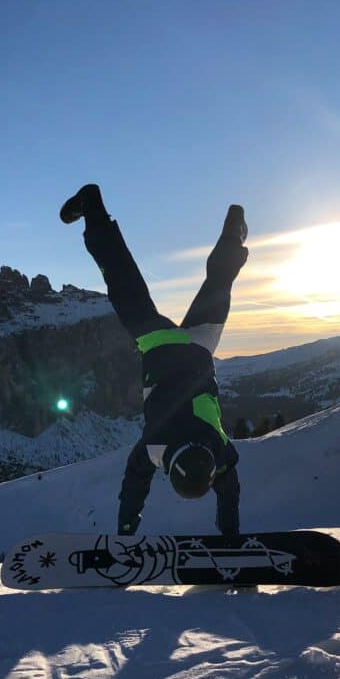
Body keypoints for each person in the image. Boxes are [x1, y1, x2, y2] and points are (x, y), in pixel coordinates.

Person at [60, 184, 248, 537]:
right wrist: (127, 529)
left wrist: (231, 536)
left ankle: (234, 230)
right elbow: (134, 486)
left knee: (220, 281)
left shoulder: (218, 451)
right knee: (121, 278)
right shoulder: (155, 448)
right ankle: (92, 207)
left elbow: (230, 493)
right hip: (157, 343)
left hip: (200, 341)